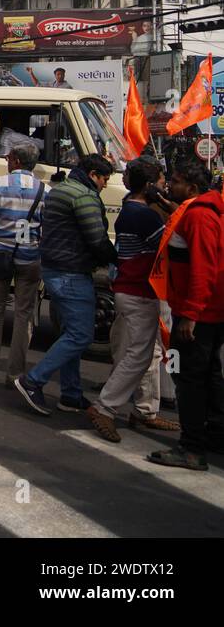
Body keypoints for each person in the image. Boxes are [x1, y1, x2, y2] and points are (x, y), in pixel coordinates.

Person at [15, 154, 116, 416]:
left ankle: (70, 394)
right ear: (93, 174)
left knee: (70, 333)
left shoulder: (61, 190)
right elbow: (96, 238)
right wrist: (115, 258)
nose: (105, 184)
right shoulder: (83, 195)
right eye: (104, 179)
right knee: (81, 335)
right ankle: (33, 380)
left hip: (54, 268)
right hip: (71, 272)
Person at [87, 157, 174, 442]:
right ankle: (105, 407)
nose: (165, 188)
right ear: (149, 186)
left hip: (133, 290)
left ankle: (141, 410)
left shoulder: (131, 209)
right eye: (161, 183)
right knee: (137, 356)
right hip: (137, 292)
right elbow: (170, 248)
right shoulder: (145, 215)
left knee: (142, 354)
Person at [148, 163, 223, 471]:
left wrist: (189, 315)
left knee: (188, 378)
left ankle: (191, 448)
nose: (170, 186)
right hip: (210, 311)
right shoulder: (206, 208)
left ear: (192, 189)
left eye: (176, 182)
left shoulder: (199, 216)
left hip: (197, 313)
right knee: (209, 374)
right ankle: (215, 435)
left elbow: (203, 268)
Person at [0, 144, 46, 384]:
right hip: (30, 259)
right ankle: (15, 373)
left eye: (8, 157)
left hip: (0, 256)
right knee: (23, 315)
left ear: (15, 160)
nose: (6, 160)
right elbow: (45, 229)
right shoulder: (44, 190)